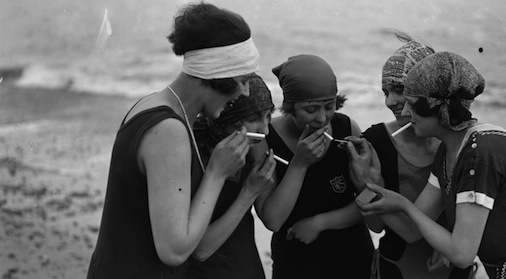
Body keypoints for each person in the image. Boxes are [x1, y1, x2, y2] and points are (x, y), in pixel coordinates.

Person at [350, 51, 506, 278]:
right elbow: (412, 231)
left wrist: (404, 204)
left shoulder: (480, 154)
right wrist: (366, 183)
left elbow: (462, 254)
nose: (405, 111)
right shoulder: (450, 150)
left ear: (437, 107)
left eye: (413, 104)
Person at [87, 2, 260, 278]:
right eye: (242, 80)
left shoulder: (151, 105)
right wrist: (217, 172)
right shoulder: (168, 130)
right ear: (217, 74)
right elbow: (174, 250)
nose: (246, 93)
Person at [252, 54, 374, 279]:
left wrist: (321, 223)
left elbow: (370, 200)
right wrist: (299, 163)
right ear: (289, 107)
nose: (322, 118)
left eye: (330, 106)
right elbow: (272, 219)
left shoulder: (346, 127)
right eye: (310, 110)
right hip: (296, 262)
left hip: (353, 257)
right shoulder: (265, 139)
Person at [360, 32, 450, 279]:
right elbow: (376, 226)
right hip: (398, 268)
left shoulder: (454, 141)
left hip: (453, 267)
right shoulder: (377, 141)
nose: (390, 101)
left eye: (399, 89)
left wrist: (452, 244)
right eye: (385, 91)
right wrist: (368, 184)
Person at [185, 75, 276, 279]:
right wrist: (249, 193)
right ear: (225, 115)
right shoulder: (191, 154)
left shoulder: (254, 145)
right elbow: (200, 250)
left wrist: (300, 164)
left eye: (269, 116)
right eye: (253, 119)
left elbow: (274, 219)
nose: (265, 129)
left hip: (247, 268)